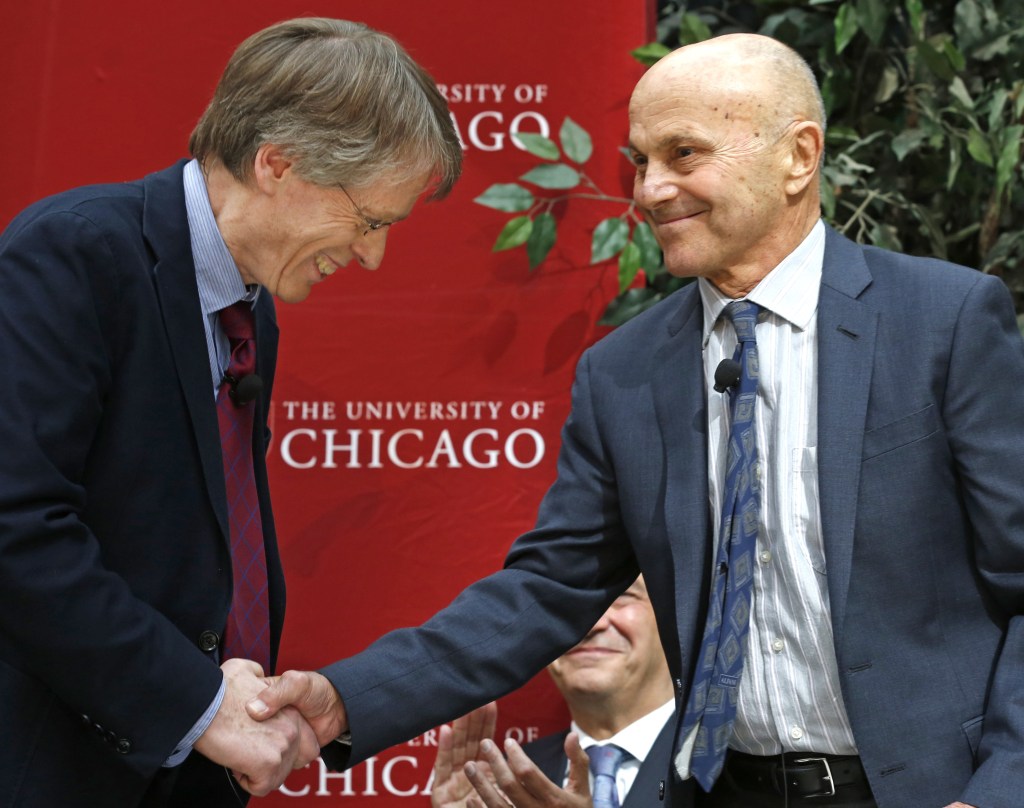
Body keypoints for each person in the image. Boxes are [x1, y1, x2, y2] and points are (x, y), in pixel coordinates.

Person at [248, 32, 1024, 808]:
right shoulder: (624, 370)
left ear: (798, 156)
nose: (650, 191)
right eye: (640, 162)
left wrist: (996, 793)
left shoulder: (945, 322)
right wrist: (345, 699)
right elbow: (546, 590)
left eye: (683, 155)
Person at [0, 17, 461, 808]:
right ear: (277, 163)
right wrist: (197, 703)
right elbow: (16, 529)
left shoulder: (250, 304)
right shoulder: (74, 254)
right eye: (370, 220)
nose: (372, 255)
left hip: (191, 772)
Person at [430, 577, 676, 808]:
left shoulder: (711, 760)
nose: (590, 624)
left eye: (621, 595)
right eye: (566, 603)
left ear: (676, 616)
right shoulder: (508, 779)